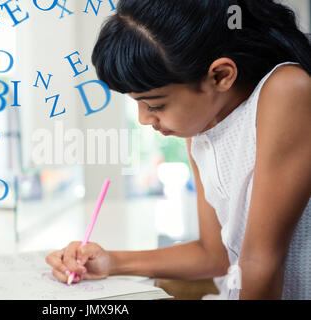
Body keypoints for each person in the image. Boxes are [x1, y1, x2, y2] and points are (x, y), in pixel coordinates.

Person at [45, 0, 311, 299]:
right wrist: (111, 262)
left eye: (155, 104)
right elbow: (215, 255)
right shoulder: (201, 128)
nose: (145, 119)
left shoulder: (287, 90)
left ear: (221, 75)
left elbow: (261, 260)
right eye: (137, 103)